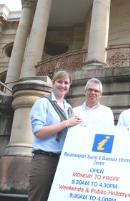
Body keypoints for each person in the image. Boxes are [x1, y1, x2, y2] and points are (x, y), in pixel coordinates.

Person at [29, 70, 82, 201]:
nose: (63, 85)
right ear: (53, 83)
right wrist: (65, 123)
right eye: (59, 82)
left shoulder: (69, 107)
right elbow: (39, 132)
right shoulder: (42, 103)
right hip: (44, 159)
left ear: (69, 86)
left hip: (63, 160)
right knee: (39, 197)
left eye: (66, 83)